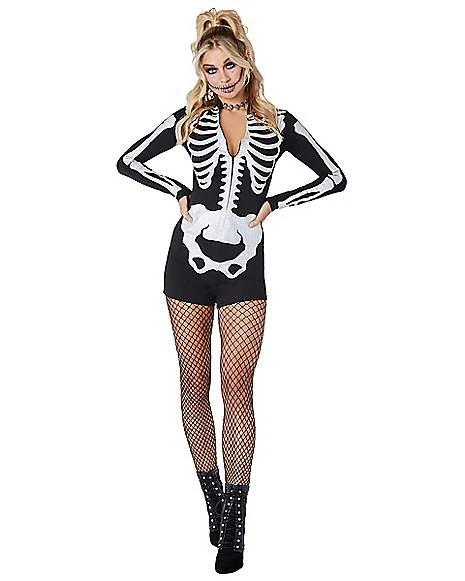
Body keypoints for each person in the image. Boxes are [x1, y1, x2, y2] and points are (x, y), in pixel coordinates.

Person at [116, 7, 347, 574]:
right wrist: (179, 191)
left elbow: (334, 176)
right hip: (187, 262)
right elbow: (128, 161)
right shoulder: (189, 119)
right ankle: (213, 502)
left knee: (237, 387)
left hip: (245, 265)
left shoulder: (279, 123)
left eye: (229, 66)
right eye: (210, 69)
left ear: (247, 62)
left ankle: (236, 523)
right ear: (201, 71)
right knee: (194, 386)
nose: (222, 77)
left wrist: (274, 205)